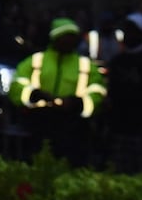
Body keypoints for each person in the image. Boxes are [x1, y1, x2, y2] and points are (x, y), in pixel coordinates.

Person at [8, 17, 107, 167]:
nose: (69, 41)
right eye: (65, 37)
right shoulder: (35, 61)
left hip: (74, 126)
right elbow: (16, 86)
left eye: (72, 37)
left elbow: (97, 92)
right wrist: (35, 95)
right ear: (55, 38)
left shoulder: (86, 65)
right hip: (39, 124)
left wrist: (77, 103)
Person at [103, 12, 142, 173]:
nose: (128, 35)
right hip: (119, 127)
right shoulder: (117, 61)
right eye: (126, 30)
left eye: (133, 31)